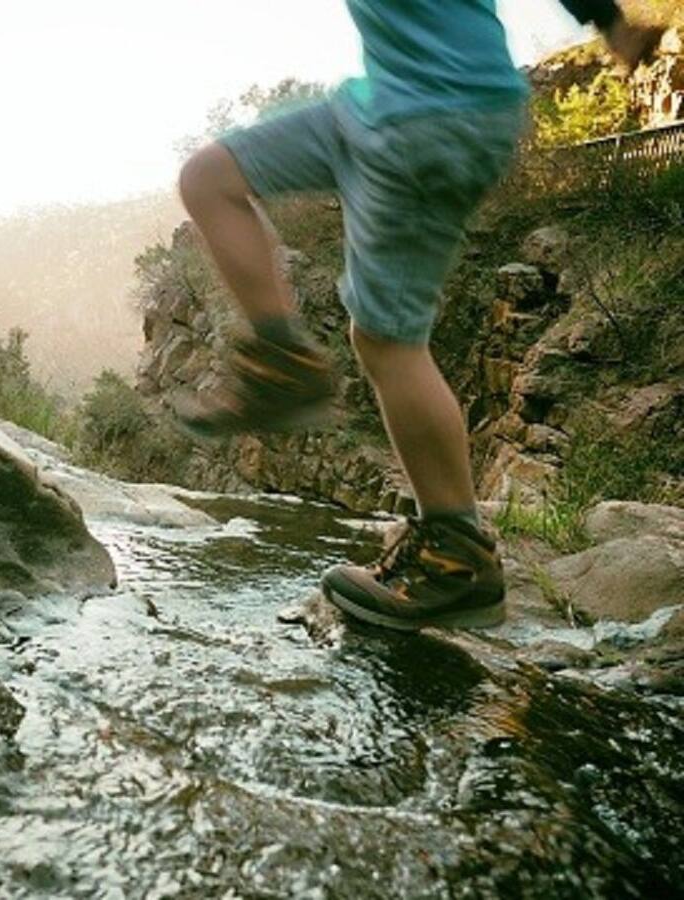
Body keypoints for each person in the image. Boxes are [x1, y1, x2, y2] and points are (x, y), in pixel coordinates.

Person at [175, 0, 661, 631]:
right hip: (382, 105)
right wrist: (612, 24)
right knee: (209, 177)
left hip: (436, 116)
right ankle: (283, 359)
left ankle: (458, 559)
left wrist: (609, 21)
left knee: (388, 343)